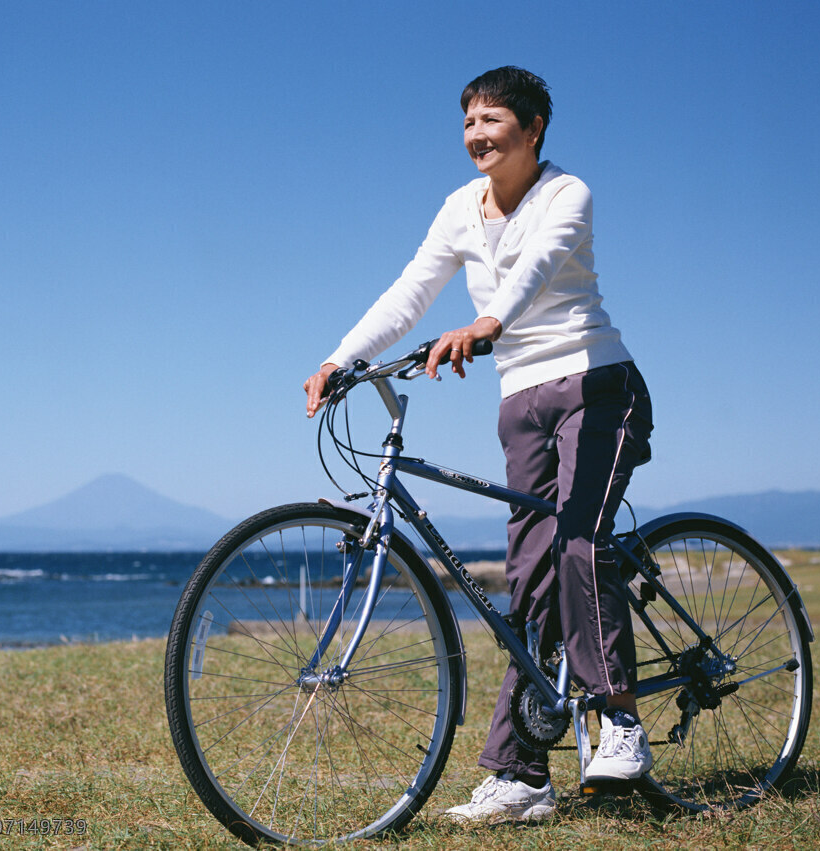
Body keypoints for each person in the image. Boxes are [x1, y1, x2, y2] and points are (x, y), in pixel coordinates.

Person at [303, 66, 655, 823]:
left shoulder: (568, 194)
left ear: (531, 131)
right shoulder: (460, 209)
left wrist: (488, 323)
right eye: (467, 123)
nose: (475, 135)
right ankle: (521, 773)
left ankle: (619, 717)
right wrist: (341, 358)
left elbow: (536, 268)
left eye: (491, 120)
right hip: (521, 401)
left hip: (597, 384)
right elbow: (410, 291)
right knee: (527, 583)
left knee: (579, 545)